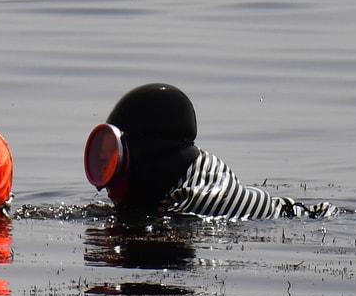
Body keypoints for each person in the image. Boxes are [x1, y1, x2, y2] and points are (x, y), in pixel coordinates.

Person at [84, 83, 334, 220]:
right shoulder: (185, 176)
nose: (105, 183)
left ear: (146, 158)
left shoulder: (201, 202)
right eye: (102, 163)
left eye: (113, 161)